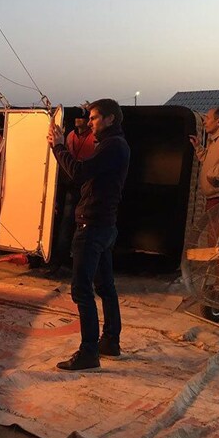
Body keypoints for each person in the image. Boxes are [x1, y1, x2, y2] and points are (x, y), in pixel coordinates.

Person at [47, 98, 130, 371]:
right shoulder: (113, 145)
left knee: (82, 290)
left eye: (94, 117)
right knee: (105, 286)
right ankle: (110, 341)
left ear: (109, 119)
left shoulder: (112, 146)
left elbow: (79, 173)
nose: (90, 122)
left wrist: (58, 146)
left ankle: (89, 352)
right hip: (105, 225)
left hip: (92, 226)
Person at [47, 109, 97, 276]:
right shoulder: (69, 136)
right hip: (67, 183)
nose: (77, 119)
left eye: (81, 117)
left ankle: (74, 264)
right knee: (64, 222)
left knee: (77, 225)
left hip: (84, 185)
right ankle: (59, 262)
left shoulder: (94, 138)